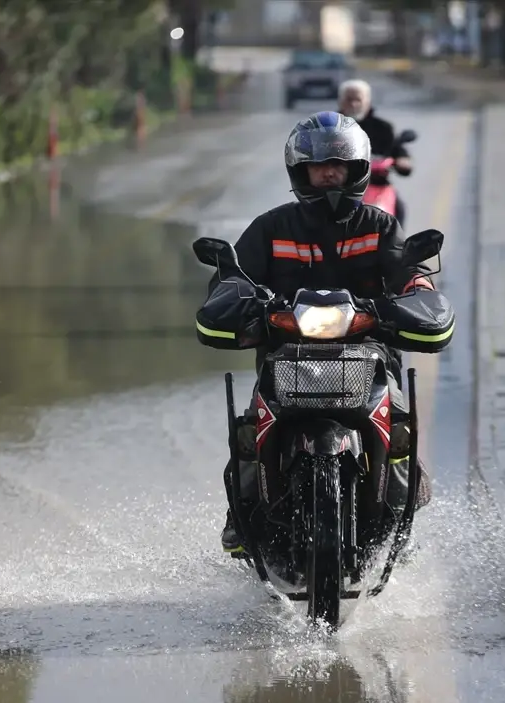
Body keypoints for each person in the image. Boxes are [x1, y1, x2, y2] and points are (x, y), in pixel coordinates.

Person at [194, 111, 454, 553]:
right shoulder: (271, 227)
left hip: (367, 353)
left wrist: (417, 291)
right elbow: (235, 278)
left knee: (399, 421)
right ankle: (243, 516)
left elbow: (408, 272)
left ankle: (399, 513)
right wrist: (233, 296)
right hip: (288, 353)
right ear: (301, 170)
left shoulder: (379, 225)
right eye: (319, 164)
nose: (329, 172)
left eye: (339, 164)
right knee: (250, 429)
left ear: (357, 169)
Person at [337, 79, 412, 226]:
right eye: (349, 99)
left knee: (399, 209)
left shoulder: (383, 128)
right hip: (338, 189)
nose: (353, 104)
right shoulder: (329, 126)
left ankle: (397, 247)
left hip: (377, 185)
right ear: (341, 101)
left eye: (358, 99)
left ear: (367, 101)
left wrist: (403, 161)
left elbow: (397, 150)